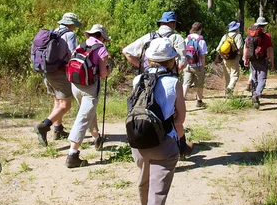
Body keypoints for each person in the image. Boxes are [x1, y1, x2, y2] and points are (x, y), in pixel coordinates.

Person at [131, 38, 189, 205]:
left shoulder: (137, 79)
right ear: (171, 60)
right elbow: (180, 118)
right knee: (158, 192)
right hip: (164, 143)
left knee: (144, 180)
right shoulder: (173, 82)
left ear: (149, 59)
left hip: (138, 140)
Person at [65, 24, 111, 168]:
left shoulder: (81, 45)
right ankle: (72, 154)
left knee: (87, 112)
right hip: (90, 87)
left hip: (75, 85)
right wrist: (109, 71)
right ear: (102, 36)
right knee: (83, 117)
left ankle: (96, 137)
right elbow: (103, 73)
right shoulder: (101, 49)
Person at [34, 12, 82, 146]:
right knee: (66, 105)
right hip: (59, 72)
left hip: (46, 71)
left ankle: (58, 129)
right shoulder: (70, 34)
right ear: (71, 24)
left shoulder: (53, 32)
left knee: (58, 101)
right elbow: (73, 54)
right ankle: (44, 125)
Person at [122, 11, 186, 73]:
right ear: (174, 24)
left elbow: (126, 51)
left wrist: (144, 67)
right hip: (168, 78)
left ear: (161, 23)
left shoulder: (148, 37)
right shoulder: (177, 39)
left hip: (149, 78)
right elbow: (181, 65)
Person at [243, 17, 274, 109]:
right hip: (262, 59)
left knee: (254, 77)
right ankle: (257, 94)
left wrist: (245, 59)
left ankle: (254, 99)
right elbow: (270, 50)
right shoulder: (266, 36)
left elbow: (246, 47)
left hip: (252, 59)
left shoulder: (250, 35)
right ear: (264, 25)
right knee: (262, 79)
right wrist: (272, 61)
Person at [215, 21, 244, 95]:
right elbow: (240, 48)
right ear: (236, 28)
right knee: (234, 76)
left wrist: (220, 57)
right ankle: (230, 88)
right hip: (234, 58)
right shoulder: (238, 36)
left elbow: (218, 49)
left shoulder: (225, 36)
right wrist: (242, 54)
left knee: (227, 76)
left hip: (225, 59)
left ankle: (227, 94)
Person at [183, 22, 208, 108]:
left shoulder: (186, 39)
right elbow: (202, 56)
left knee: (186, 84)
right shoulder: (201, 41)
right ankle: (199, 101)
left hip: (187, 65)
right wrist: (203, 67)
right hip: (198, 66)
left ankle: (181, 102)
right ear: (200, 29)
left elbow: (183, 53)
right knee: (199, 84)